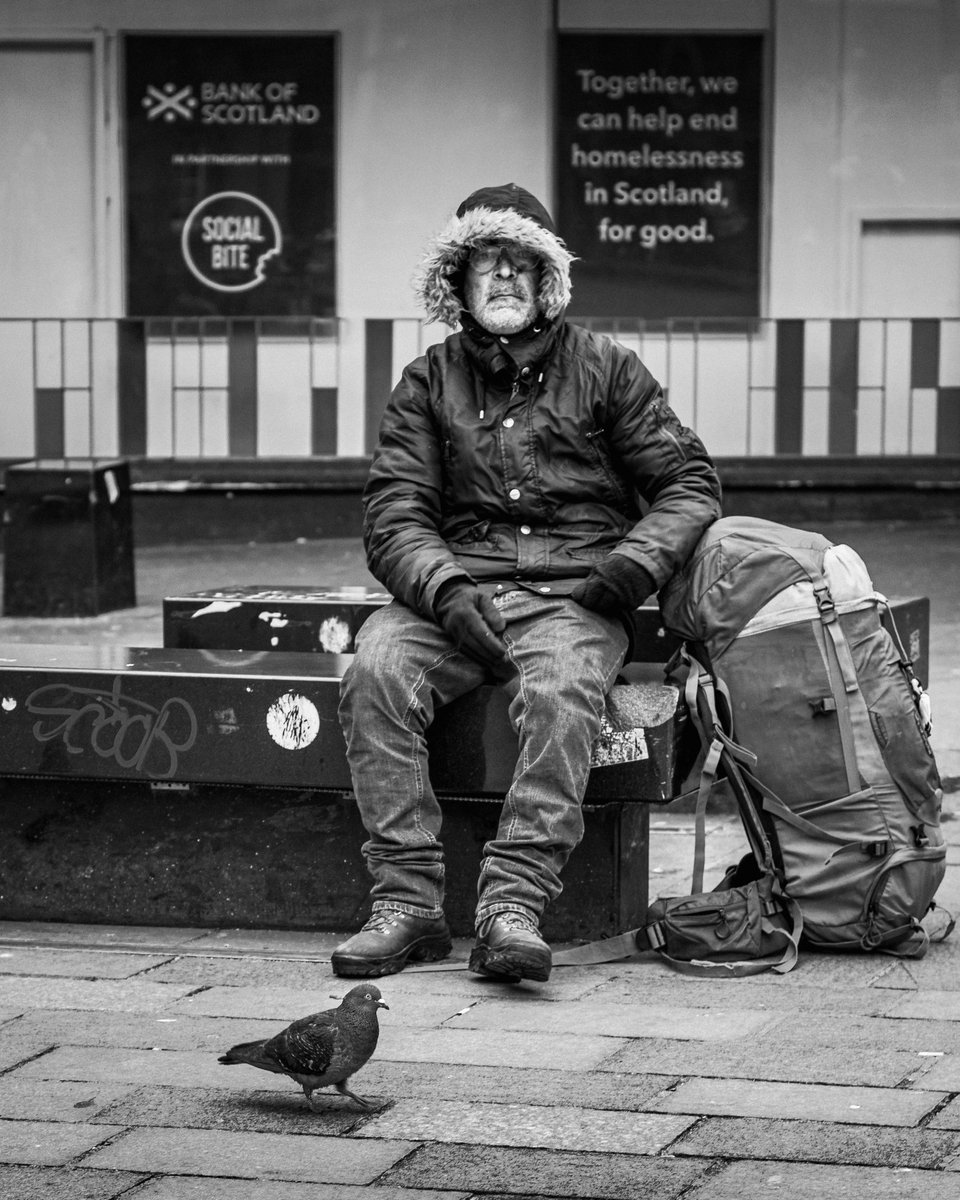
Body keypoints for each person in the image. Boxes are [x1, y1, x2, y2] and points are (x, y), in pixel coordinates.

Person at [333, 182, 721, 982]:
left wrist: (634, 566)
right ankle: (406, 906)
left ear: (549, 280)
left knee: (560, 695)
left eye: (522, 263)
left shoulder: (608, 368)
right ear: (460, 282)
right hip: (456, 595)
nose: (504, 278)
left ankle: (512, 907)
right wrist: (442, 589)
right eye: (487, 263)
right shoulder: (427, 381)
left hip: (577, 597)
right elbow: (395, 512)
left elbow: (690, 485)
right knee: (374, 672)